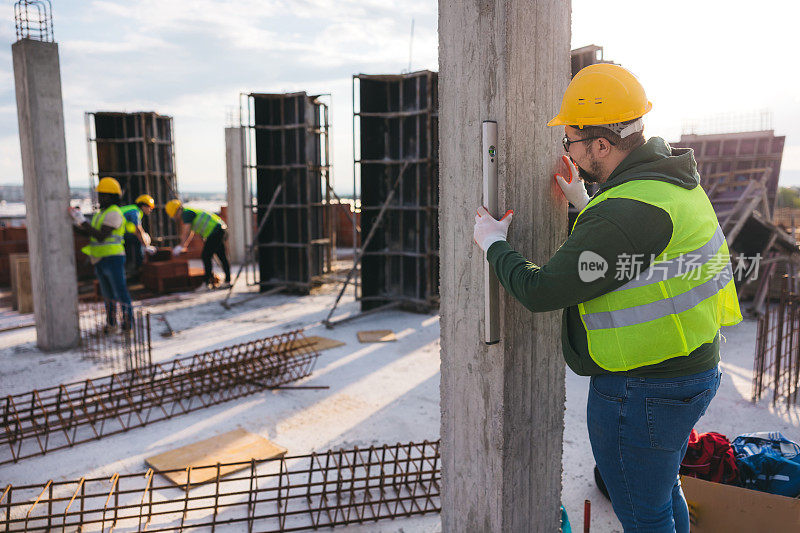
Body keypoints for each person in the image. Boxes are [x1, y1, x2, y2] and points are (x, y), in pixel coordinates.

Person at [472, 64, 742, 532]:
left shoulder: (622, 212)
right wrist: (583, 200)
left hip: (643, 392)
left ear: (601, 144)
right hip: (693, 370)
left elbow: (540, 290)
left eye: (570, 140)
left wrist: (494, 243)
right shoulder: (674, 182)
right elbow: (641, 251)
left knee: (643, 513)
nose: (567, 149)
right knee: (661, 494)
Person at [70, 177, 134, 332]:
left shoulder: (114, 213)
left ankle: (128, 324)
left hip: (113, 259)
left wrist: (83, 221)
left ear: (112, 197)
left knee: (120, 292)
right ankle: (112, 324)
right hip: (99, 259)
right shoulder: (101, 214)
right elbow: (90, 234)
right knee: (108, 295)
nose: (100, 198)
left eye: (103, 195)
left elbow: (101, 236)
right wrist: (75, 223)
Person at [165, 199, 231, 291]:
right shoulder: (188, 212)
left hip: (215, 232)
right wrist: (184, 246)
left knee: (206, 256)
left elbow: (186, 231)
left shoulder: (186, 214)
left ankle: (207, 283)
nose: (176, 217)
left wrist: (180, 245)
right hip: (219, 229)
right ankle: (227, 281)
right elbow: (190, 233)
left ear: (176, 211)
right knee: (221, 256)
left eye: (175, 215)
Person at [120, 194, 157, 277]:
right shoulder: (135, 211)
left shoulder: (132, 209)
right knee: (136, 241)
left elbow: (135, 230)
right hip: (115, 235)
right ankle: (138, 269)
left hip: (117, 234)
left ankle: (131, 268)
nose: (151, 209)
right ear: (143, 206)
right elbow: (138, 230)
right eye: (150, 207)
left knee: (134, 240)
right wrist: (146, 245)